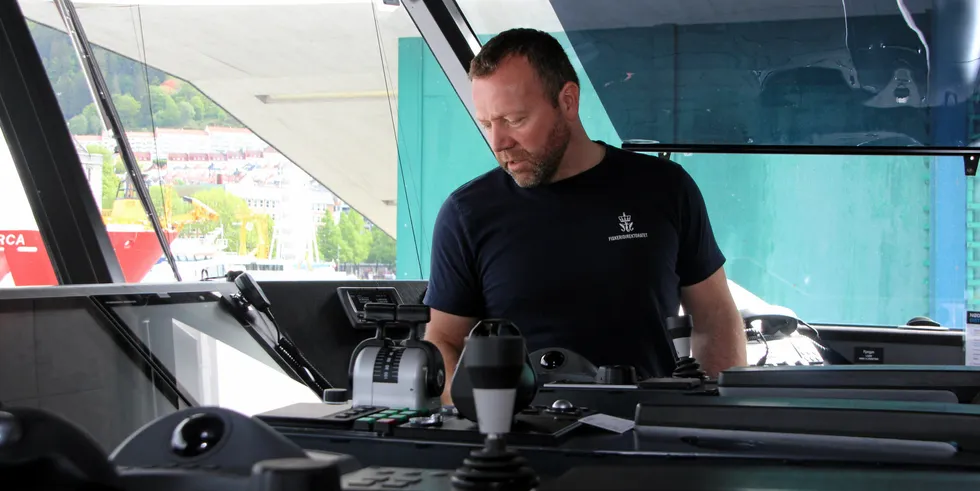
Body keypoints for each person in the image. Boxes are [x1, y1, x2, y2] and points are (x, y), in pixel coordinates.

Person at [422, 28, 746, 403]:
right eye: (487, 124)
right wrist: (488, 417)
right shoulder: (466, 214)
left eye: (514, 120)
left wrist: (713, 421)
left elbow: (715, 316)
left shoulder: (665, 188)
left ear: (568, 101)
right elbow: (444, 340)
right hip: (522, 444)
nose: (498, 142)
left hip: (647, 433)